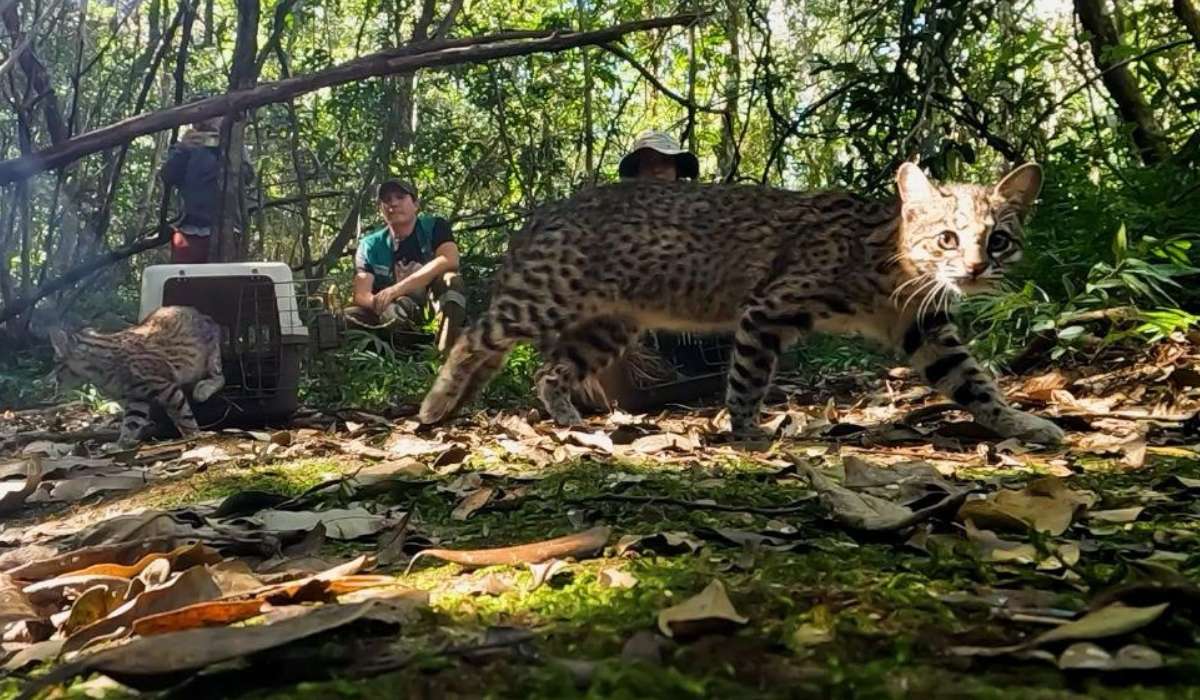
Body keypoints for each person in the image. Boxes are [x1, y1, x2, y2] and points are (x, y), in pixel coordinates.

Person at [346, 179, 467, 354]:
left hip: (429, 305)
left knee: (451, 281)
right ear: (381, 209)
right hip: (390, 311)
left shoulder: (434, 227)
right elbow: (361, 293)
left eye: (400, 197)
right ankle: (392, 353)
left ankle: (444, 349)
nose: (393, 203)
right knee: (344, 318)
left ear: (416, 204)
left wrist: (395, 291)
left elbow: (449, 259)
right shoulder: (369, 245)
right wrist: (379, 304)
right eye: (386, 200)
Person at [159, 113, 255, 263]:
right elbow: (168, 176)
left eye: (211, 117)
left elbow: (247, 176)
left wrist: (221, 148)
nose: (204, 122)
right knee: (186, 281)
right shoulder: (185, 147)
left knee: (224, 282)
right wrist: (182, 150)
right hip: (190, 229)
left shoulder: (234, 146)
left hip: (228, 228)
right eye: (199, 118)